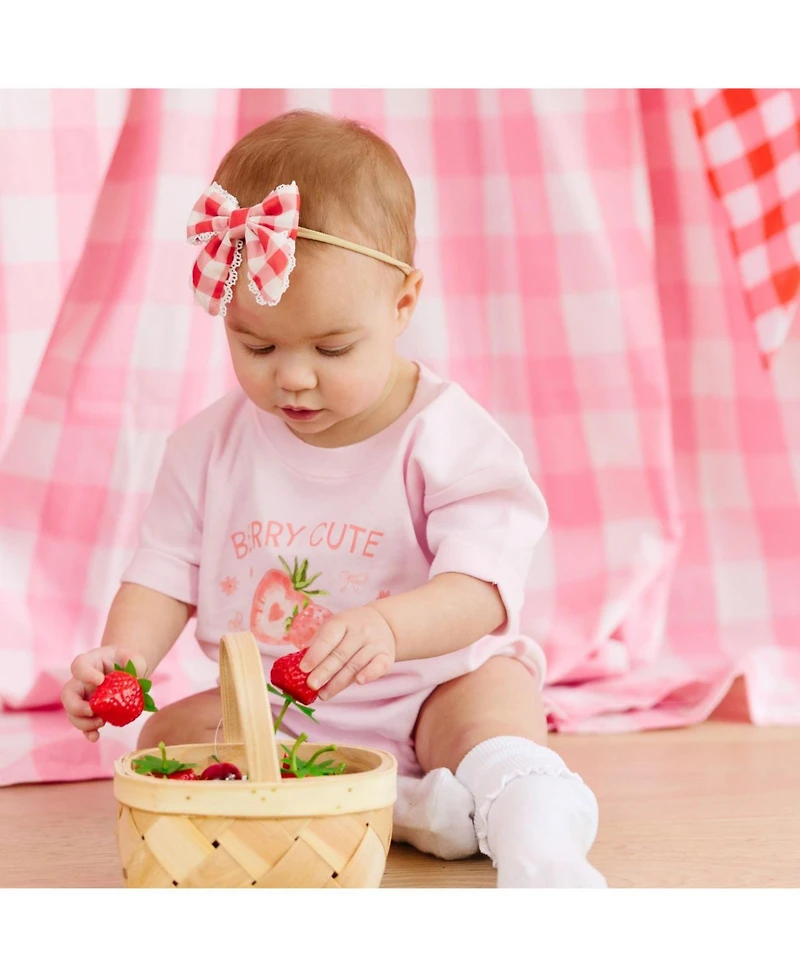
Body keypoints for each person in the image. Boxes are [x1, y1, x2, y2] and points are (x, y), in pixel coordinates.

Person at [60, 109, 605, 887]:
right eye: (257, 345)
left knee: (495, 712)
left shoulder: (444, 433)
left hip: (431, 685)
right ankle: (410, 808)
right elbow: (161, 572)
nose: (293, 377)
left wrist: (390, 625)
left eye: (332, 347)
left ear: (404, 304)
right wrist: (122, 659)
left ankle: (540, 845)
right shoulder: (206, 448)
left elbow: (483, 587)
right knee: (165, 732)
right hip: (275, 716)